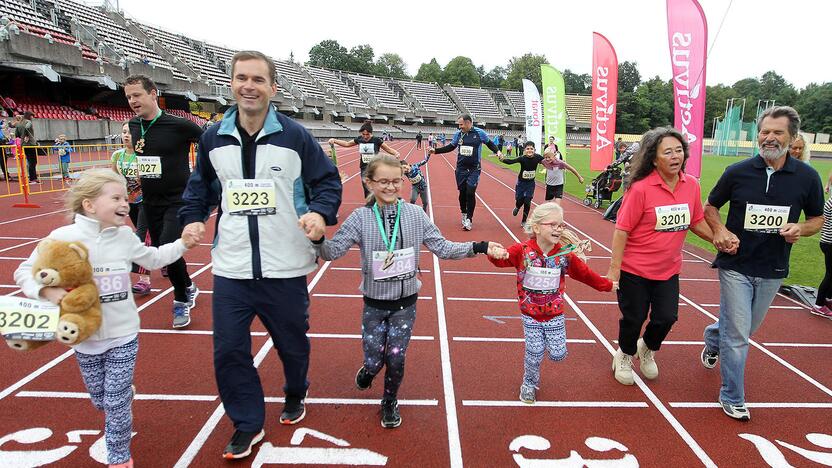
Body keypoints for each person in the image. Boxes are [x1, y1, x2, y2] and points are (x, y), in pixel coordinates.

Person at [179, 50, 342, 459]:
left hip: (285, 265)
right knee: (229, 349)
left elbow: (327, 182)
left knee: (292, 345)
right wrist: (192, 218)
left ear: (273, 87)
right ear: (231, 84)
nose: (248, 86)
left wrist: (320, 215)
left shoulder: (295, 136)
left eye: (257, 79)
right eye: (241, 78)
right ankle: (247, 423)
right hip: (232, 265)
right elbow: (201, 187)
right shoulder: (212, 137)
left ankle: (295, 389)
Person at [14, 168, 197, 468]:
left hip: (123, 334)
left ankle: (119, 455)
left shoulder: (125, 236)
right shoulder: (61, 238)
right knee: (101, 399)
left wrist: (183, 245)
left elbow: (152, 259)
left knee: (114, 401)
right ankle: (122, 396)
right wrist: (45, 293)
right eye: (116, 198)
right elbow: (23, 271)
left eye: (126, 197)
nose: (126, 203)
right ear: (89, 205)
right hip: (84, 338)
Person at [312, 155, 506, 428]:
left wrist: (481, 246)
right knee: (374, 358)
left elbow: (444, 248)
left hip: (405, 304)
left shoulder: (415, 215)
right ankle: (368, 370)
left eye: (396, 181)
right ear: (369, 182)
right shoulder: (360, 218)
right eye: (383, 182)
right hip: (375, 305)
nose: (390, 187)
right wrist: (318, 237)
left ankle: (389, 400)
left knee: (396, 357)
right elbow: (332, 252)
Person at [702, 106, 824, 421]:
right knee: (740, 334)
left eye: (777, 133)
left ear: (793, 137)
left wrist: (801, 228)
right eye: (764, 132)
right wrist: (720, 229)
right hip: (736, 264)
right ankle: (732, 396)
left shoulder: (807, 177)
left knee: (744, 329)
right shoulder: (737, 171)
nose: (769, 138)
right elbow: (711, 206)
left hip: (773, 268)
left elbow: (817, 220)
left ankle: (714, 337)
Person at [606, 127, 716, 386]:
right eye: (668, 152)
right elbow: (621, 230)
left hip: (668, 269)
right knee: (633, 318)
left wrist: (718, 239)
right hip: (635, 270)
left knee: (667, 317)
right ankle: (625, 354)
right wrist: (614, 269)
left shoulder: (692, 186)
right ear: (654, 159)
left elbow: (696, 220)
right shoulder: (641, 189)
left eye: (679, 150)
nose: (675, 156)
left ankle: (647, 347)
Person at [489, 202, 613, 403]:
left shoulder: (564, 255)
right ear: (536, 227)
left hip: (555, 314)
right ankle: (529, 384)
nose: (558, 229)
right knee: (535, 351)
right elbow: (502, 260)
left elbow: (586, 275)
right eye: (552, 225)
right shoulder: (522, 250)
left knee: (558, 354)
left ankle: (548, 345)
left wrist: (607, 285)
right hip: (530, 314)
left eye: (561, 225)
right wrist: (494, 254)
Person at [124, 74, 202, 328]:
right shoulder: (134, 126)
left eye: (137, 95)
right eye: (128, 97)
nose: (132, 101)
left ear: (153, 93)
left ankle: (181, 300)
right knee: (162, 254)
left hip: (178, 199)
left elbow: (209, 144)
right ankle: (188, 285)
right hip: (150, 201)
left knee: (170, 244)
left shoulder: (179, 125)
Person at [429, 114, 501, 231]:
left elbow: (490, 143)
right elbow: (451, 147)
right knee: (462, 193)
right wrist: (435, 151)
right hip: (461, 169)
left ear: (468, 123)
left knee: (470, 192)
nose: (459, 126)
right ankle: (463, 213)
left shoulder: (479, 133)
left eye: (461, 124)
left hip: (474, 169)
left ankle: (469, 219)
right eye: (459, 124)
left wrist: (497, 151)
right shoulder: (458, 134)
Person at [111, 122, 152, 296]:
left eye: (130, 132)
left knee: (141, 235)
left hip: (147, 200)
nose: (127, 135)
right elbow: (114, 178)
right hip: (130, 201)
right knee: (148, 234)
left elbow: (153, 178)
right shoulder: (117, 156)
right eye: (124, 132)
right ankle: (166, 260)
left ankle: (144, 280)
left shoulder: (144, 155)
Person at [329, 121, 400, 198]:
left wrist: (396, 153)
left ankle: (379, 200)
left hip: (375, 167)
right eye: (363, 134)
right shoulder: (359, 139)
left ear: (371, 133)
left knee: (376, 185)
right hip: (364, 167)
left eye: (367, 134)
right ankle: (369, 203)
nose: (365, 136)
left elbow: (388, 149)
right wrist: (335, 140)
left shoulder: (376, 140)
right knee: (366, 185)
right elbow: (347, 144)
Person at [499, 141, 545, 227]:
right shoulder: (522, 158)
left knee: (527, 201)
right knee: (520, 200)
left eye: (531, 149)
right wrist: (502, 159)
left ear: (534, 150)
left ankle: (524, 221)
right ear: (524, 150)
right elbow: (511, 161)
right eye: (527, 149)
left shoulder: (538, 157)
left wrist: (553, 161)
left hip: (530, 183)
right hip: (521, 183)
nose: (529, 150)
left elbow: (545, 162)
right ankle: (517, 207)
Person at [542, 138, 584, 205]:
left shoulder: (560, 163)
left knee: (557, 205)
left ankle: (556, 214)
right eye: (545, 157)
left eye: (549, 157)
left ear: (554, 155)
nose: (547, 159)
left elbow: (571, 169)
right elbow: (536, 160)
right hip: (549, 185)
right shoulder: (544, 161)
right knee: (547, 205)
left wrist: (579, 177)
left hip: (559, 185)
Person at [813, 194, 832, 319]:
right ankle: (819, 305)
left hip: (828, 241)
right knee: (830, 274)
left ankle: (828, 298)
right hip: (830, 243)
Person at [14, 111, 38, 184]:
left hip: (23, 144)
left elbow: (16, 134)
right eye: (32, 116)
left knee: (30, 161)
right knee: (33, 161)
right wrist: (26, 133)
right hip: (30, 144)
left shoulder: (19, 123)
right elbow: (27, 126)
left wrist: (22, 135)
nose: (32, 117)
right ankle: (33, 178)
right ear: (29, 116)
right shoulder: (29, 122)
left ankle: (32, 177)